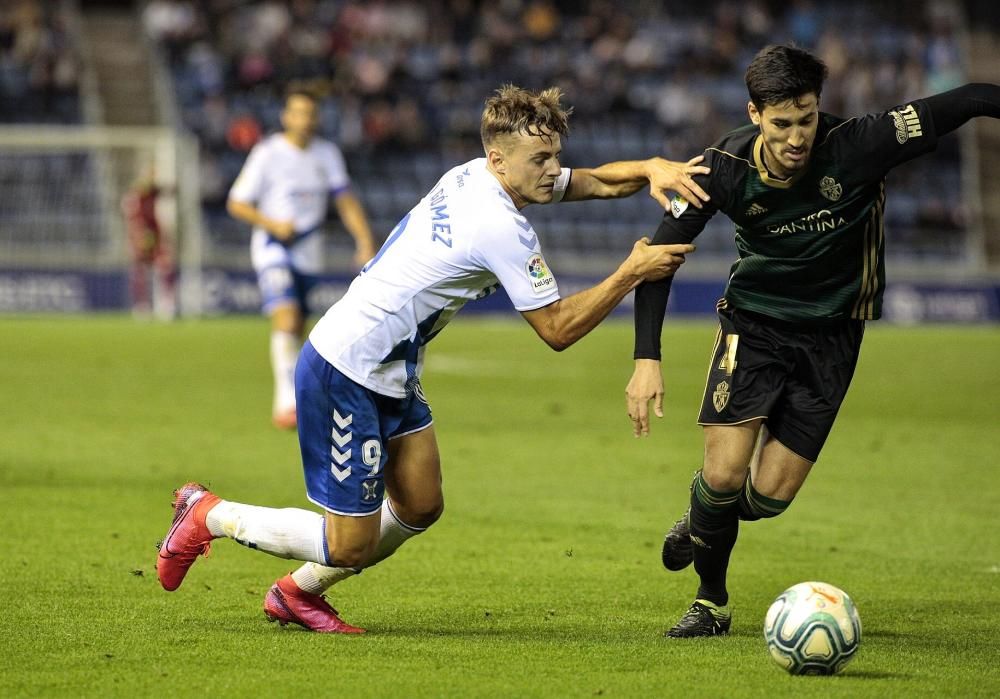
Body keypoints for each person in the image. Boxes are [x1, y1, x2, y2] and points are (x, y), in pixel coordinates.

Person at [157, 84, 709, 633]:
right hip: (346, 368)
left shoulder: (475, 173)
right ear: (500, 159)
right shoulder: (499, 227)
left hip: (392, 369)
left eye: (554, 155)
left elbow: (584, 181)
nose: (552, 168)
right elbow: (558, 329)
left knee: (420, 505)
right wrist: (630, 272)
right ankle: (210, 513)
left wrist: (650, 169)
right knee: (350, 544)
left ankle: (295, 595)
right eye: (540, 159)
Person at [625, 44, 1000, 638]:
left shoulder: (860, 143)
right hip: (754, 327)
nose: (797, 137)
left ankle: (702, 521)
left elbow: (974, 99)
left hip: (833, 335)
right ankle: (712, 603)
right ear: (754, 115)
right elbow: (659, 259)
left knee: (769, 497)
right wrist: (647, 358)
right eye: (781, 124)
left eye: (805, 118)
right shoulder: (722, 165)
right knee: (723, 474)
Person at [227, 87, 378, 430]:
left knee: (299, 330)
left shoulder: (327, 154)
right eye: (298, 113)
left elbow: (345, 199)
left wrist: (365, 240)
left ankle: (299, 398)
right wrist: (272, 224)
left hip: (310, 252)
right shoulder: (267, 153)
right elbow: (236, 202)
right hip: (273, 248)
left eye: (310, 114)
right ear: (285, 116)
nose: (305, 120)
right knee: (287, 317)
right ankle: (286, 403)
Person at [120, 168, 177, 320]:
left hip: (156, 235)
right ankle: (141, 306)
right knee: (139, 270)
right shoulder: (133, 198)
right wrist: (139, 237)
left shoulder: (152, 193)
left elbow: (167, 190)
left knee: (165, 266)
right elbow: (132, 220)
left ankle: (166, 304)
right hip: (140, 236)